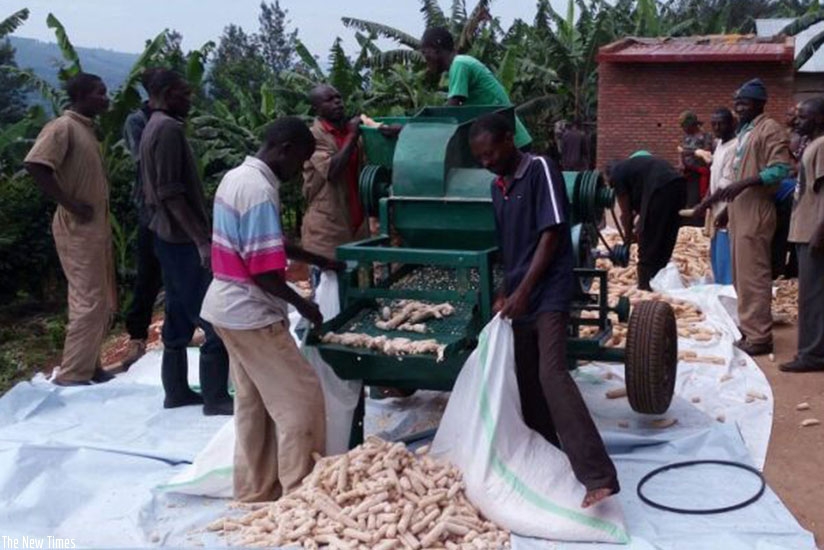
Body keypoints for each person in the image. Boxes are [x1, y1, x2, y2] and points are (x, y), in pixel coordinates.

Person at [469, 113, 619, 509]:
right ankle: (545, 455)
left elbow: (551, 234)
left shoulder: (541, 169)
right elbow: (509, 249)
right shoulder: (496, 188)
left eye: (490, 153)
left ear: (507, 140)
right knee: (526, 379)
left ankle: (598, 475)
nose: (486, 162)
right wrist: (506, 291)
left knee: (551, 373)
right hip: (520, 291)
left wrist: (525, 290)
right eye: (479, 158)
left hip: (549, 289)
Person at [201, 117, 342, 501]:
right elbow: (264, 272)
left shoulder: (237, 177)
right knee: (301, 397)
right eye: (301, 161)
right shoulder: (261, 191)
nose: (300, 172)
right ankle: (301, 492)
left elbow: (270, 241)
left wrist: (317, 258)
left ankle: (255, 491)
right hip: (250, 313)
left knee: (254, 405)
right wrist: (304, 305)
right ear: (286, 149)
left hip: (223, 307)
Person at [140, 70, 233, 415]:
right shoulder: (168, 130)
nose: (189, 100)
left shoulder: (153, 125)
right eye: (184, 94)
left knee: (178, 314)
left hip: (165, 236)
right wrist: (201, 240)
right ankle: (216, 398)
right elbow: (171, 193)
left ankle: (176, 391)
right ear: (165, 93)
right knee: (213, 320)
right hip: (180, 239)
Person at [24, 73, 116, 386]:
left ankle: (91, 365)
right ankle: (73, 373)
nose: (106, 98)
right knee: (88, 299)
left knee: (101, 299)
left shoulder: (87, 131)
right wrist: (71, 204)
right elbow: (36, 164)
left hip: (95, 228)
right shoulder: (62, 128)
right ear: (81, 96)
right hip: (77, 227)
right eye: (99, 93)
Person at [698, 79, 792, 356]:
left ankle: (760, 338)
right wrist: (726, 208)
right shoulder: (746, 131)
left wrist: (743, 184)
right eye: (737, 101)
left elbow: (779, 170)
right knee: (741, 275)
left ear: (760, 104)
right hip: (740, 209)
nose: (739, 107)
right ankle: (750, 330)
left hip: (757, 208)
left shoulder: (770, 130)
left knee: (754, 276)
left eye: (745, 102)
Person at [301, 85, 377, 281]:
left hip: (357, 227)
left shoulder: (351, 133)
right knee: (330, 295)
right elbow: (332, 170)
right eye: (329, 99)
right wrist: (352, 135)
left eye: (339, 97)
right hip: (328, 230)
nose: (337, 102)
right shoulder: (313, 137)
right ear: (316, 109)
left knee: (361, 291)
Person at [420, 26, 532, 150]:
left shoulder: (460, 64)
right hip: (506, 141)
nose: (425, 59)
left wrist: (418, 129)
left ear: (437, 49)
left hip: (512, 144)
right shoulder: (461, 64)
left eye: (425, 52)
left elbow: (451, 110)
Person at [120, 68, 163, 371]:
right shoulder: (137, 121)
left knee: (180, 270)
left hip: (174, 208)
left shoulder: (173, 119)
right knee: (148, 272)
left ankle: (179, 326)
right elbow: (143, 158)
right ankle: (137, 336)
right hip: (151, 207)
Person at [780, 97, 824, 373]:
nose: (798, 121)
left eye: (804, 117)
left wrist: (820, 231)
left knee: (813, 296)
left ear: (820, 119)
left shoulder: (822, 147)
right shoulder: (813, 145)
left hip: (813, 233)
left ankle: (813, 355)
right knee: (811, 294)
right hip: (804, 231)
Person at [606, 154, 687, 291]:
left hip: (660, 188)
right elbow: (636, 210)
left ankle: (644, 286)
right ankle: (658, 279)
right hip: (679, 185)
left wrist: (627, 239)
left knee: (648, 237)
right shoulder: (633, 169)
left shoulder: (617, 175)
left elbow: (626, 214)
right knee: (666, 233)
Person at [699, 107, 737, 285]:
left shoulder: (735, 147)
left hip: (726, 210)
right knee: (716, 259)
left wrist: (705, 203)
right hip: (715, 209)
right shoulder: (719, 145)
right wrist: (706, 199)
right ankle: (719, 292)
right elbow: (714, 176)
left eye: (720, 123)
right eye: (713, 124)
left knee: (725, 260)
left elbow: (726, 183)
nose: (716, 127)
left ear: (731, 124)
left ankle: (727, 297)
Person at [678, 110, 714, 208]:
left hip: (699, 176)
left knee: (695, 202)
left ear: (692, 125)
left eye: (685, 126)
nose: (683, 129)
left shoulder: (706, 136)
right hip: (687, 174)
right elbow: (681, 151)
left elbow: (707, 153)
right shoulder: (686, 137)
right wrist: (681, 162)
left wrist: (691, 152)